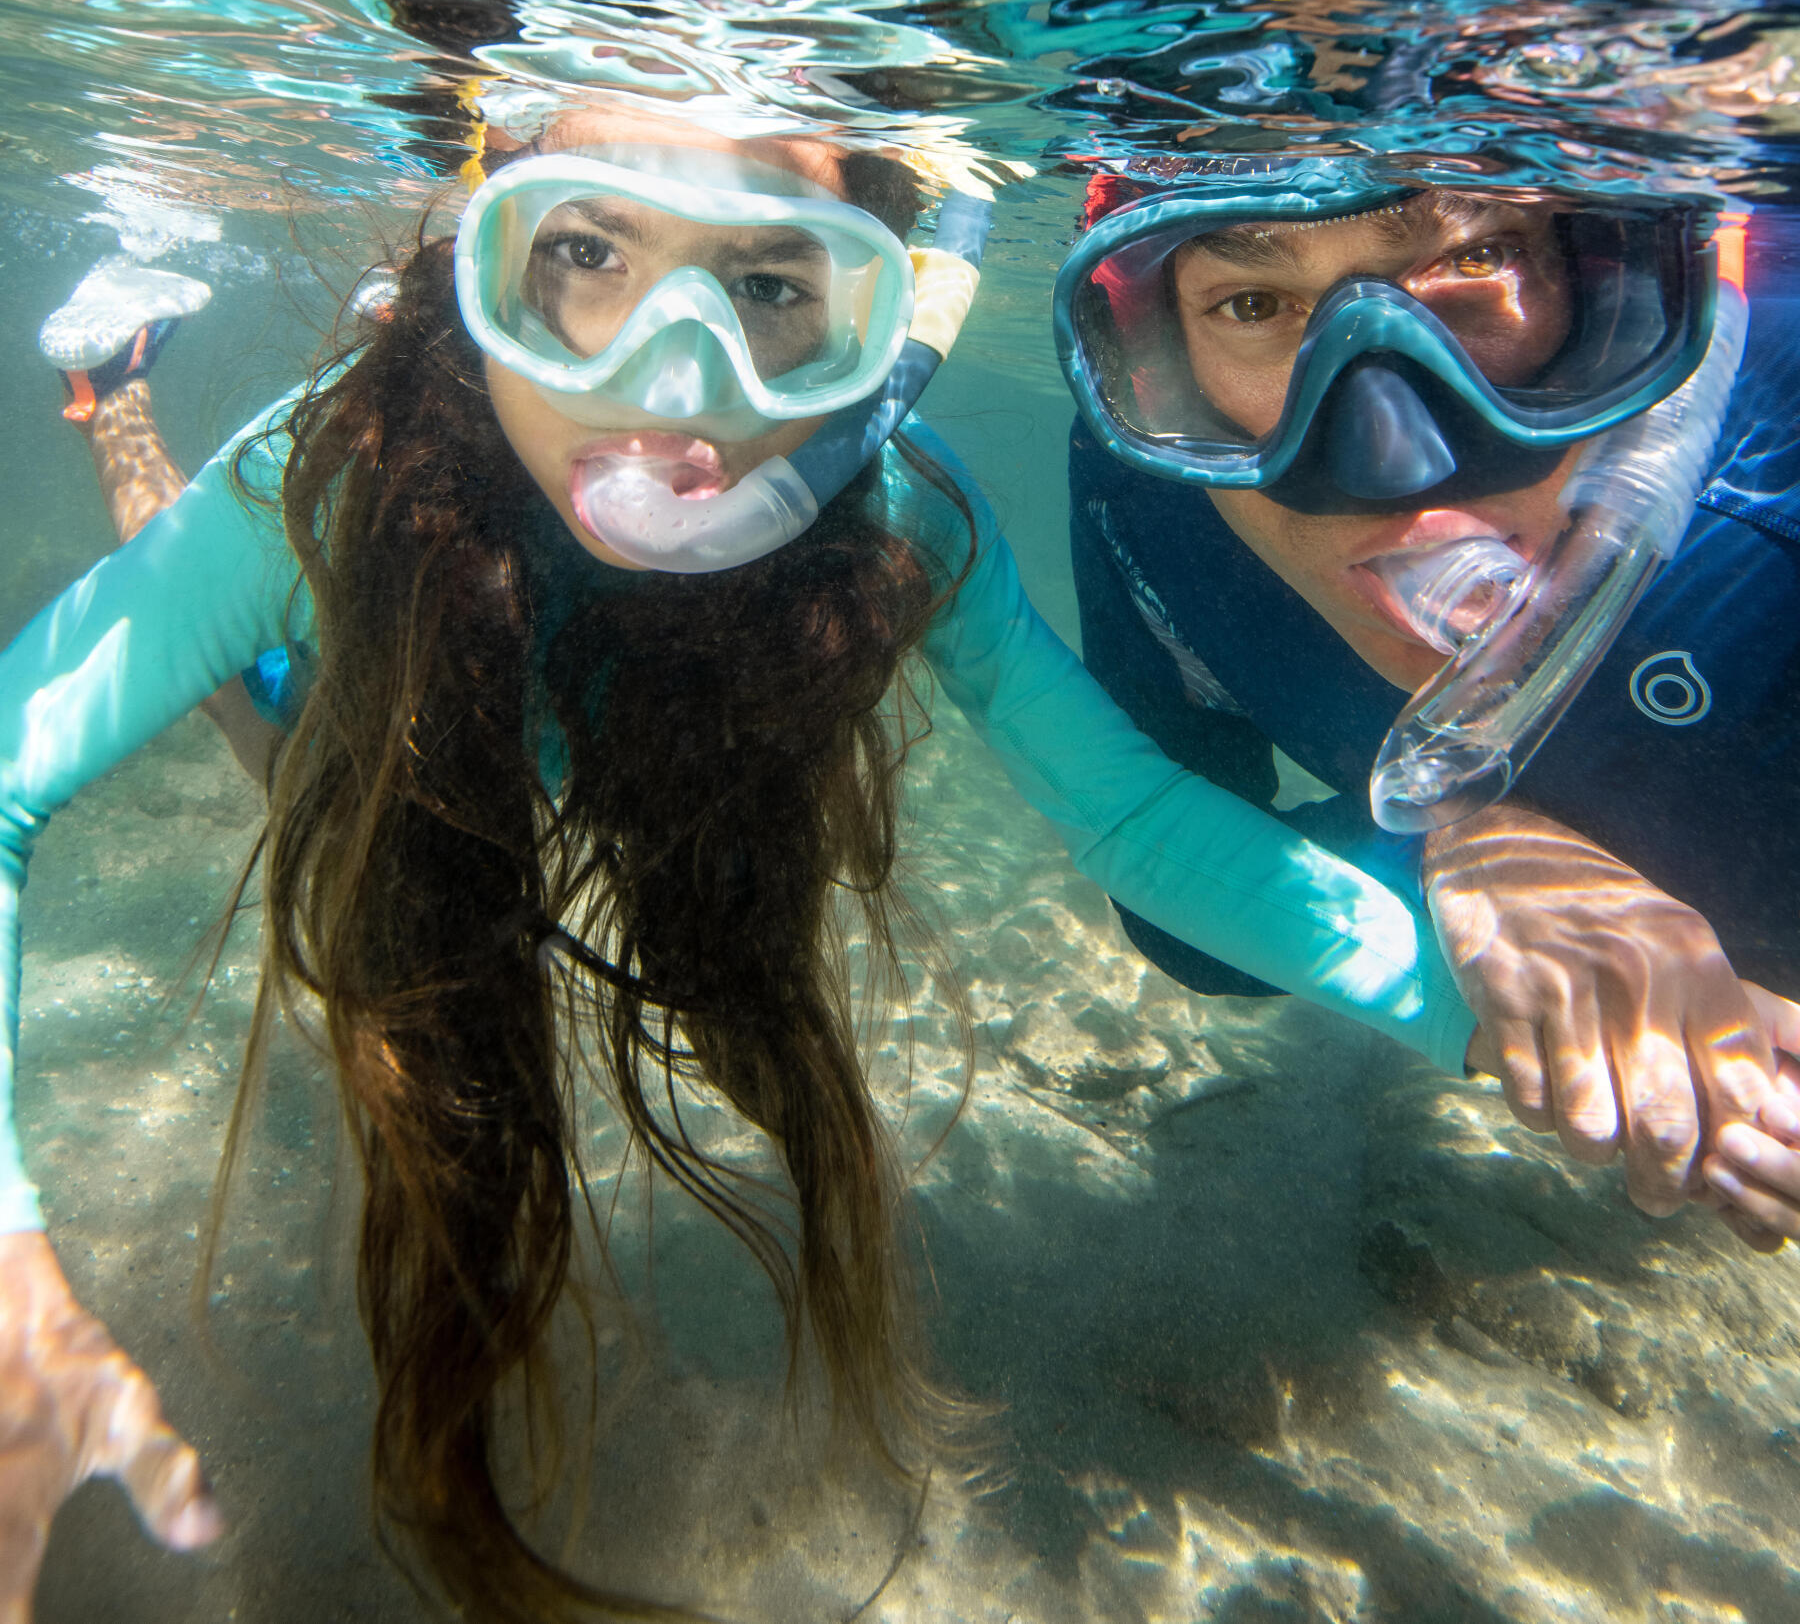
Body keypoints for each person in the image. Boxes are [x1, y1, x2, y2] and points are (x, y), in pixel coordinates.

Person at [0, 100, 1509, 1622]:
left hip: (563, 681)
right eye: (583, 252)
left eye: (778, 287)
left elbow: (1136, 823)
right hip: (388, 664)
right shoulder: (343, 465)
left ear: (868, 311)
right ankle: (113, 388)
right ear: (487, 265)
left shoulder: (894, 507)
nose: (674, 383)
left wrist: (1491, 1018)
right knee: (272, 732)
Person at [1056, 154, 1800, 1248]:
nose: (1392, 460)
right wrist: (1461, 838)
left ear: (1616, 294)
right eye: (1254, 303)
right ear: (1162, 368)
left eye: (1479, 258)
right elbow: (1190, 919)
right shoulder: (1156, 496)